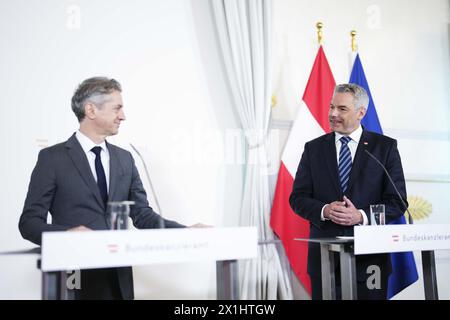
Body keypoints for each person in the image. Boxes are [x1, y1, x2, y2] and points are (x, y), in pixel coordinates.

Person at [19, 77, 202, 300]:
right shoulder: (52, 159)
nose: (123, 116)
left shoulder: (125, 159)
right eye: (117, 108)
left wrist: (185, 232)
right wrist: (66, 235)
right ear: (91, 110)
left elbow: (142, 215)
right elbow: (29, 223)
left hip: (119, 282)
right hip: (75, 279)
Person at [289, 83, 408, 300]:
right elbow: (297, 198)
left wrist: (360, 216)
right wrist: (324, 210)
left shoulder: (384, 148)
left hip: (370, 262)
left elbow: (397, 202)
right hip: (324, 263)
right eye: (331, 107)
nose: (333, 114)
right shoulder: (313, 149)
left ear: (361, 112)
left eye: (342, 109)